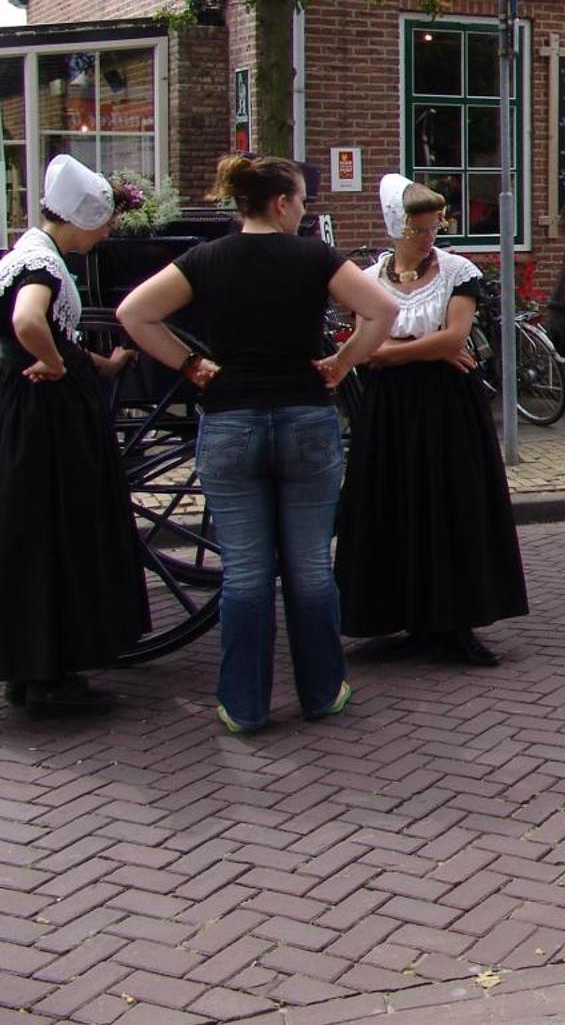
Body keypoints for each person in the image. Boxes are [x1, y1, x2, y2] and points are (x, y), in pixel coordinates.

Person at [118, 155, 397, 733]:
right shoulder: (314, 256)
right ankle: (321, 692)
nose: (302, 210)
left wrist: (192, 363)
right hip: (304, 418)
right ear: (280, 203)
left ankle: (243, 706)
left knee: (245, 572)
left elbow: (134, 313)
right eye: (299, 201)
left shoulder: (205, 259)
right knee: (311, 568)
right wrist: (342, 362)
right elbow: (382, 309)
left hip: (231, 421)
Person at [335, 177, 528, 664]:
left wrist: (394, 352)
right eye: (418, 230)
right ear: (396, 229)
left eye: (433, 227)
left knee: (450, 503)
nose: (428, 238)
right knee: (393, 503)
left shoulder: (457, 271)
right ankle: (406, 616)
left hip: (446, 408)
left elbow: (453, 338)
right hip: (388, 410)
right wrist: (422, 351)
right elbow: (364, 348)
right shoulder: (370, 276)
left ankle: (455, 621)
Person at [0, 155, 150, 715]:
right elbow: (29, 323)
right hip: (50, 422)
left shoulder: (26, 252)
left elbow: (46, 334)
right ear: (80, 219)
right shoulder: (42, 265)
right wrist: (57, 366)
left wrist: (94, 363)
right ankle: (49, 670)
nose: (107, 232)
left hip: (33, 414)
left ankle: (33, 663)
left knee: (35, 532)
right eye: (103, 222)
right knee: (59, 529)